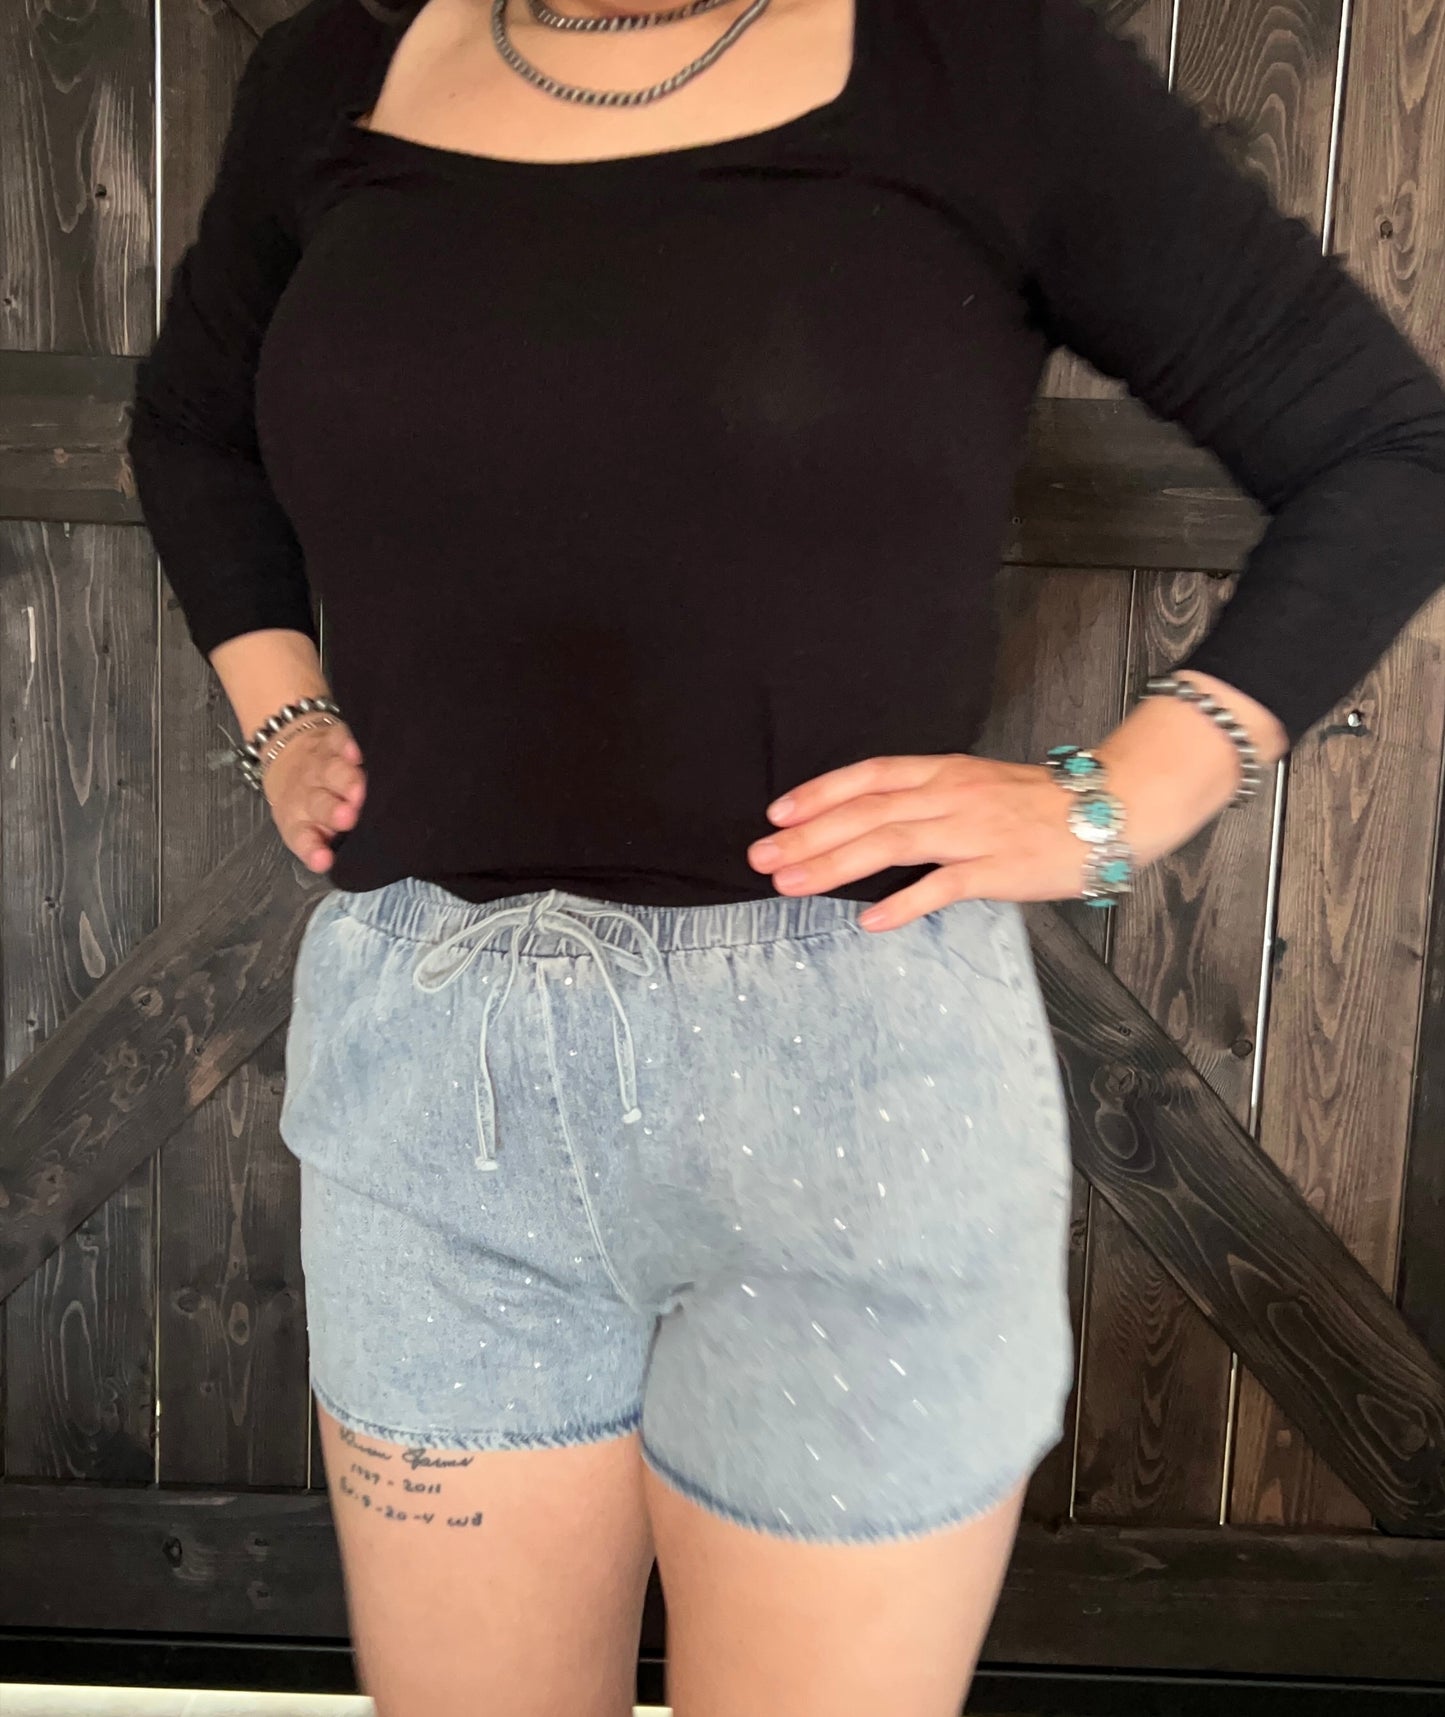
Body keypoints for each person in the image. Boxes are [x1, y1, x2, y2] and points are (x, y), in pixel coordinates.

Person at [126, 0, 1445, 1707]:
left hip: (850, 1089)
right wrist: (279, 708)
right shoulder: (334, 75)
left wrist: (1112, 801)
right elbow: (192, 423)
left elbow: (1386, 450)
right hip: (431, 1089)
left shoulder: (978, 68)